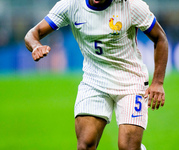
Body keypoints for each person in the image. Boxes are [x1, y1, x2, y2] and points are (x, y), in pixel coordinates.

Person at [24, 0, 168, 149]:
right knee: (85, 145)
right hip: (94, 81)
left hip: (130, 81)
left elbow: (160, 38)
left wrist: (158, 82)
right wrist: (36, 46)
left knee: (128, 147)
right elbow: (33, 33)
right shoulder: (71, 5)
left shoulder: (131, 5)